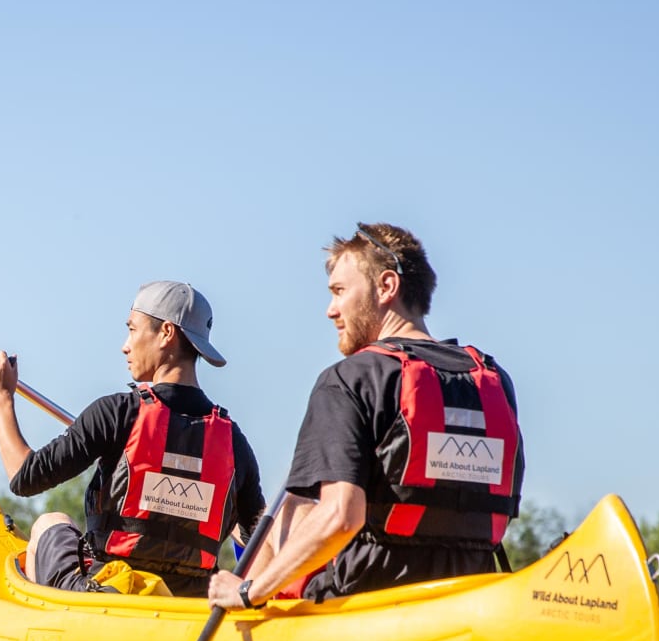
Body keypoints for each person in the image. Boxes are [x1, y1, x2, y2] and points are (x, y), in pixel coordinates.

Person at [209, 224, 524, 609]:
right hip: (468, 596)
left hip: (365, 599)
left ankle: (239, 628)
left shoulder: (351, 377)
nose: (331, 310)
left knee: (293, 505)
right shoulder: (492, 380)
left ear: (387, 286)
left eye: (340, 291)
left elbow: (341, 515)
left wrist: (248, 591)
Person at [0, 282, 266, 600]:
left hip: (111, 596)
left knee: (51, 521)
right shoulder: (232, 440)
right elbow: (261, 538)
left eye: (132, 330)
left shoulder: (117, 413)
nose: (125, 346)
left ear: (166, 333)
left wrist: (1, 400)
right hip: (190, 604)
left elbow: (24, 477)